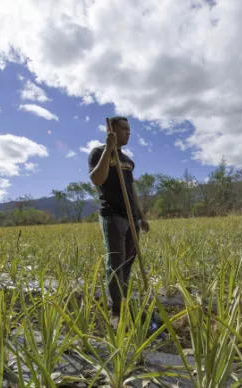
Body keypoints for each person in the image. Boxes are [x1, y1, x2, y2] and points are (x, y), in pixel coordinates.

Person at [88, 116, 161, 333]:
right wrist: (109, 149)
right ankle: (116, 311)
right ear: (112, 131)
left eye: (129, 129)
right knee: (115, 264)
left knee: (128, 262)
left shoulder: (128, 161)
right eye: (124, 129)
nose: (128, 133)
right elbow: (97, 179)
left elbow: (131, 191)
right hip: (113, 216)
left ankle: (125, 302)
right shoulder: (98, 153)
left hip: (131, 218)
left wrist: (140, 215)